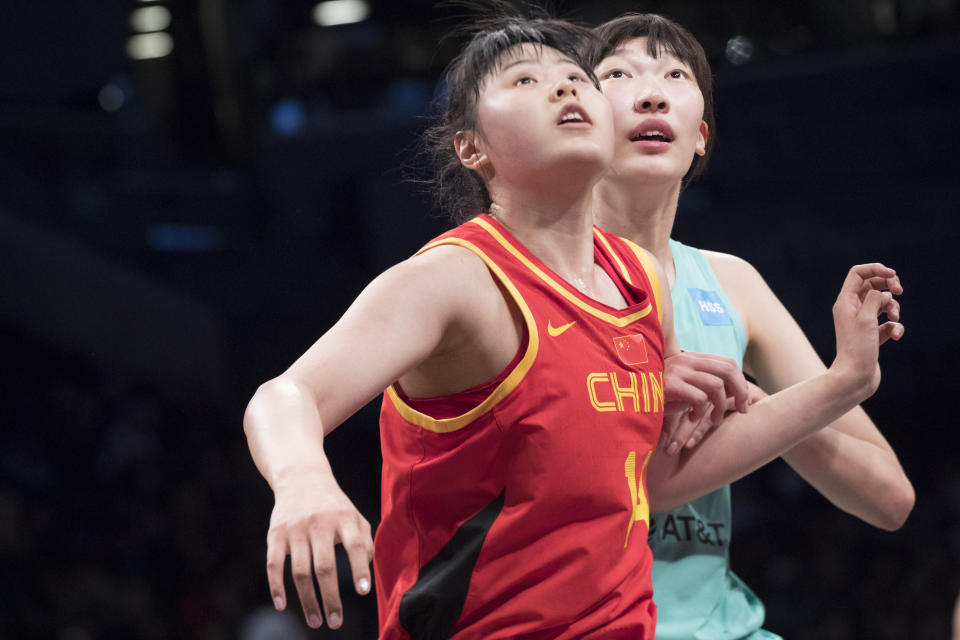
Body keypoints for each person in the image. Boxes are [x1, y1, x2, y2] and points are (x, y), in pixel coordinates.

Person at [243, 6, 902, 638]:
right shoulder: (456, 279)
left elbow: (657, 481)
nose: (561, 88)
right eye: (525, 81)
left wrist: (841, 380)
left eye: (572, 79)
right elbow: (285, 396)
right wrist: (304, 482)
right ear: (471, 147)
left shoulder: (637, 282)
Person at [584, 13, 915, 639]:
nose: (652, 92)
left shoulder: (731, 283)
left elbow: (890, 498)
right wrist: (836, 385)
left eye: (675, 75)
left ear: (701, 135)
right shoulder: (535, 278)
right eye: (620, 74)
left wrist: (760, 410)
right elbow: (616, 489)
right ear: (579, 120)